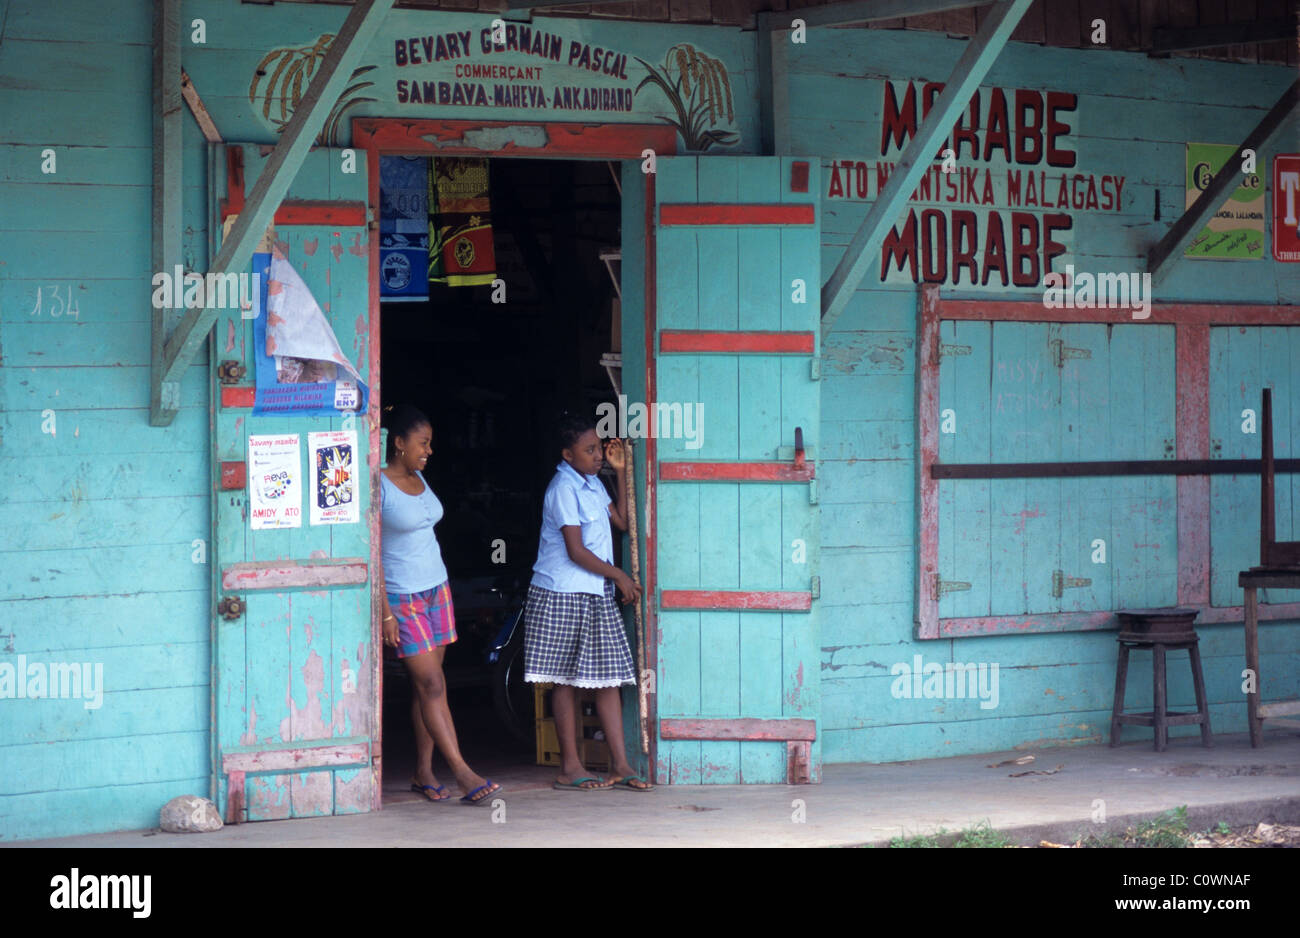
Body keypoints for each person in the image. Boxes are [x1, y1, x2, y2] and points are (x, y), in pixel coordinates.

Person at [523, 412, 653, 792]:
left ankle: (622, 765)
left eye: (599, 448)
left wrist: (622, 472)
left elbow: (624, 523)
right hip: (561, 592)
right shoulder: (562, 489)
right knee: (564, 681)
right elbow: (576, 551)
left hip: (593, 593)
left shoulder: (593, 484)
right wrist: (619, 575)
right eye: (590, 450)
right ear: (567, 454)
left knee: (608, 680)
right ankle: (570, 767)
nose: (598, 455)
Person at [379, 404, 500, 805]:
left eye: (430, 444)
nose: (429, 451)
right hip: (402, 595)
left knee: (427, 688)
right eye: (423, 443)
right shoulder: (378, 484)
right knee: (431, 684)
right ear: (398, 443)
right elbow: (369, 549)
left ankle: (423, 772)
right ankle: (463, 772)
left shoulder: (419, 479)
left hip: (437, 590)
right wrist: (385, 611)